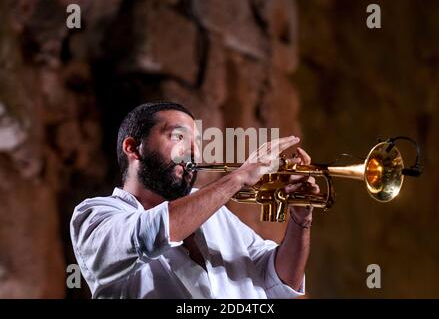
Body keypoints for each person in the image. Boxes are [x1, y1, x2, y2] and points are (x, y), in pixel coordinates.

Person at [70, 102, 319, 298]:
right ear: (133, 148)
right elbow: (147, 235)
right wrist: (239, 177)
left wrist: (300, 220)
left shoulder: (215, 213)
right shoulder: (96, 214)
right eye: (178, 137)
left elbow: (281, 281)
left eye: (196, 143)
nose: (194, 152)